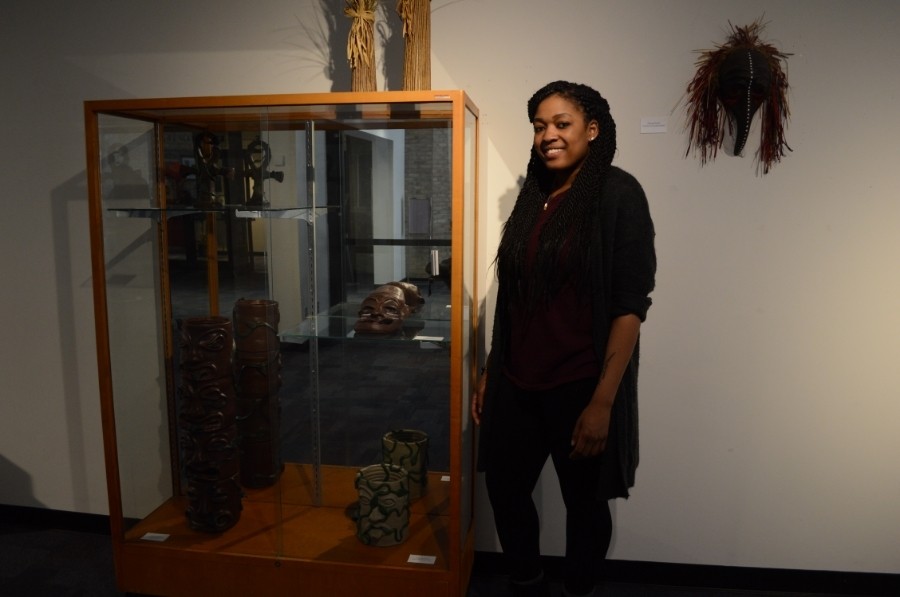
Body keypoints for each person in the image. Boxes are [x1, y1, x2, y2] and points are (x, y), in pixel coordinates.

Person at [471, 81, 656, 597]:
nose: (547, 135)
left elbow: (629, 308)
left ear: (591, 130)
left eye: (561, 123)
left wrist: (602, 402)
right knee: (505, 489)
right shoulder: (536, 195)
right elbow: (513, 297)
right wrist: (491, 368)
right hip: (516, 380)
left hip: (578, 382)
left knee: (584, 502)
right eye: (538, 125)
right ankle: (526, 580)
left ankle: (578, 589)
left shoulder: (618, 194)